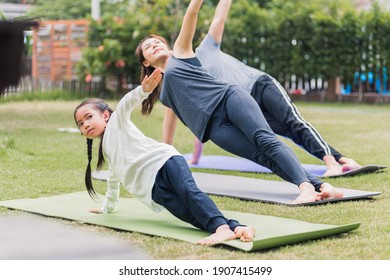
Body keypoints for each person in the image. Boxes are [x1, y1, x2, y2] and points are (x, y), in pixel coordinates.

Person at [135, 0, 343, 204]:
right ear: (146, 62)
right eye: (148, 47)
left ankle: (305, 188)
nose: (155, 46)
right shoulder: (163, 92)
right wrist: (166, 154)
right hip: (214, 129)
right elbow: (169, 127)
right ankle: (322, 187)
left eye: (157, 42)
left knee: (265, 140)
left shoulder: (181, 52)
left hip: (229, 99)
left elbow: (191, 14)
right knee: (262, 157)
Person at [74, 67, 255, 246]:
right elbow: (113, 181)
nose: (86, 125)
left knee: (190, 194)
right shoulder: (107, 151)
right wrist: (106, 208)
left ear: (105, 115)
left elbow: (126, 103)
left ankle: (222, 230)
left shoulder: (117, 121)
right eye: (81, 124)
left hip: (164, 162)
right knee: (188, 213)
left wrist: (143, 90)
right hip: (153, 189)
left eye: (89, 117)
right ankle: (238, 227)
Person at [190, 0, 361, 177]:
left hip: (259, 85)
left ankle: (331, 163)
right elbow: (201, 119)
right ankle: (343, 160)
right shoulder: (192, 82)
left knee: (293, 121)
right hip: (246, 108)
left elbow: (220, 18)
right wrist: (195, 159)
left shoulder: (204, 50)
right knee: (291, 132)